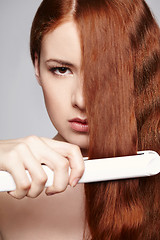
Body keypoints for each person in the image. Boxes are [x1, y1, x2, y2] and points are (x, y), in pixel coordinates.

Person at [0, 0, 160, 239]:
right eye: (61, 70)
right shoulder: (6, 192)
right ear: (37, 66)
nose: (82, 100)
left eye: (105, 72)